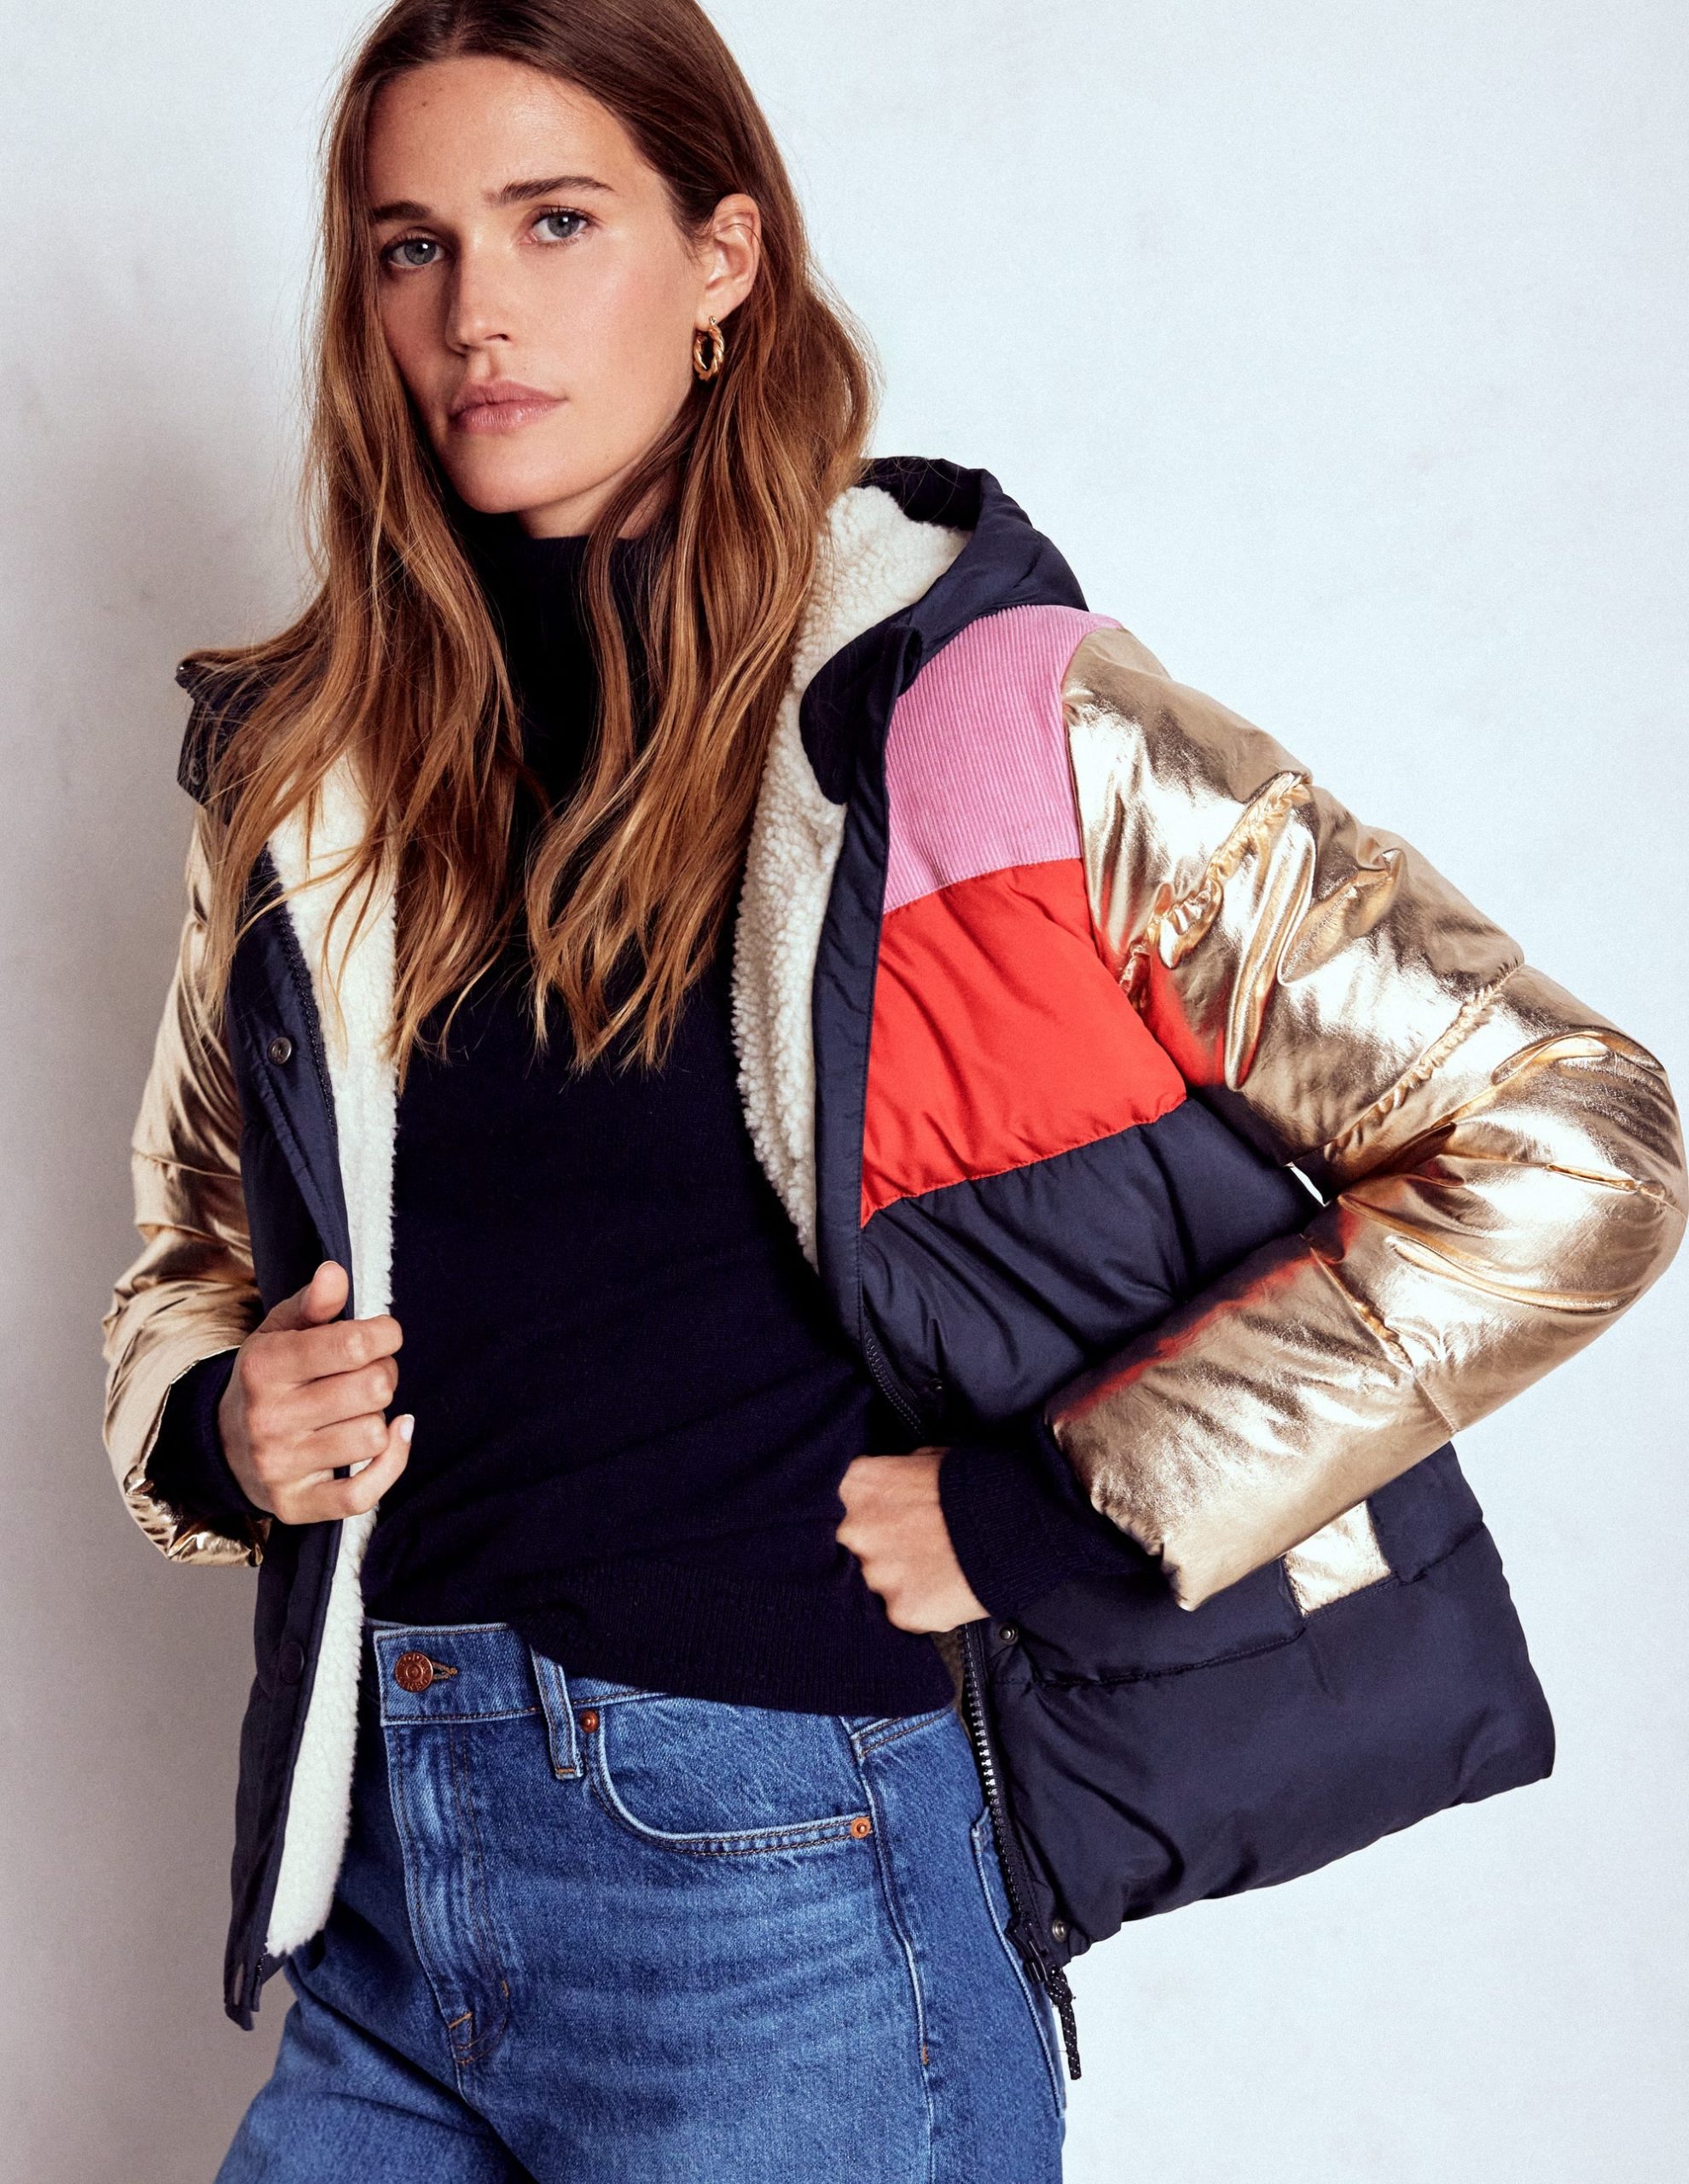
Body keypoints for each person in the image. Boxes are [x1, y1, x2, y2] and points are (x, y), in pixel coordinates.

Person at [101, 3, 1684, 2179]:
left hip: (784, 1898)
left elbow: (1576, 1135)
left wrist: (1061, 1502)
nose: (474, 312)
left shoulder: (977, 713)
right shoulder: (311, 777)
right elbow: (191, 1246)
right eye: (410, 244)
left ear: (722, 256)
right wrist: (219, 1418)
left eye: (555, 222)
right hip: (386, 1873)